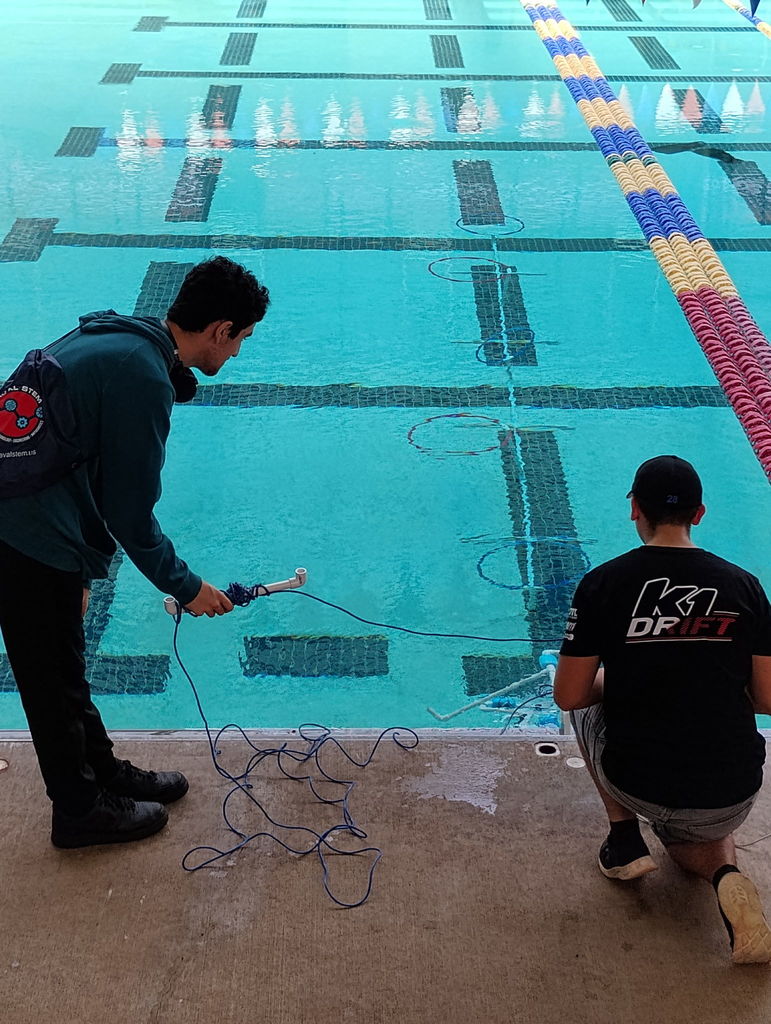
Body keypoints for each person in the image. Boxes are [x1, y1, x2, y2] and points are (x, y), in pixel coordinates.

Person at [0, 256, 270, 849]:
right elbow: (128, 511)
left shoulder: (121, 337)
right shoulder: (142, 375)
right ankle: (78, 812)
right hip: (21, 533)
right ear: (220, 329)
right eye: (241, 340)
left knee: (63, 669)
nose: (236, 355)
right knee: (52, 681)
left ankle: (100, 774)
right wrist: (187, 586)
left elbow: (81, 462)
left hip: (30, 518)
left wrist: (79, 568)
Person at [554, 455, 771, 965]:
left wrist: (629, 677)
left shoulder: (604, 584)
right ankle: (727, 876)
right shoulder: (745, 587)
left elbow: (568, 694)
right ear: (700, 514)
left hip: (640, 779)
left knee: (585, 711)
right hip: (735, 786)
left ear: (635, 510)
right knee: (696, 831)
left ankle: (625, 839)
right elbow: (767, 699)